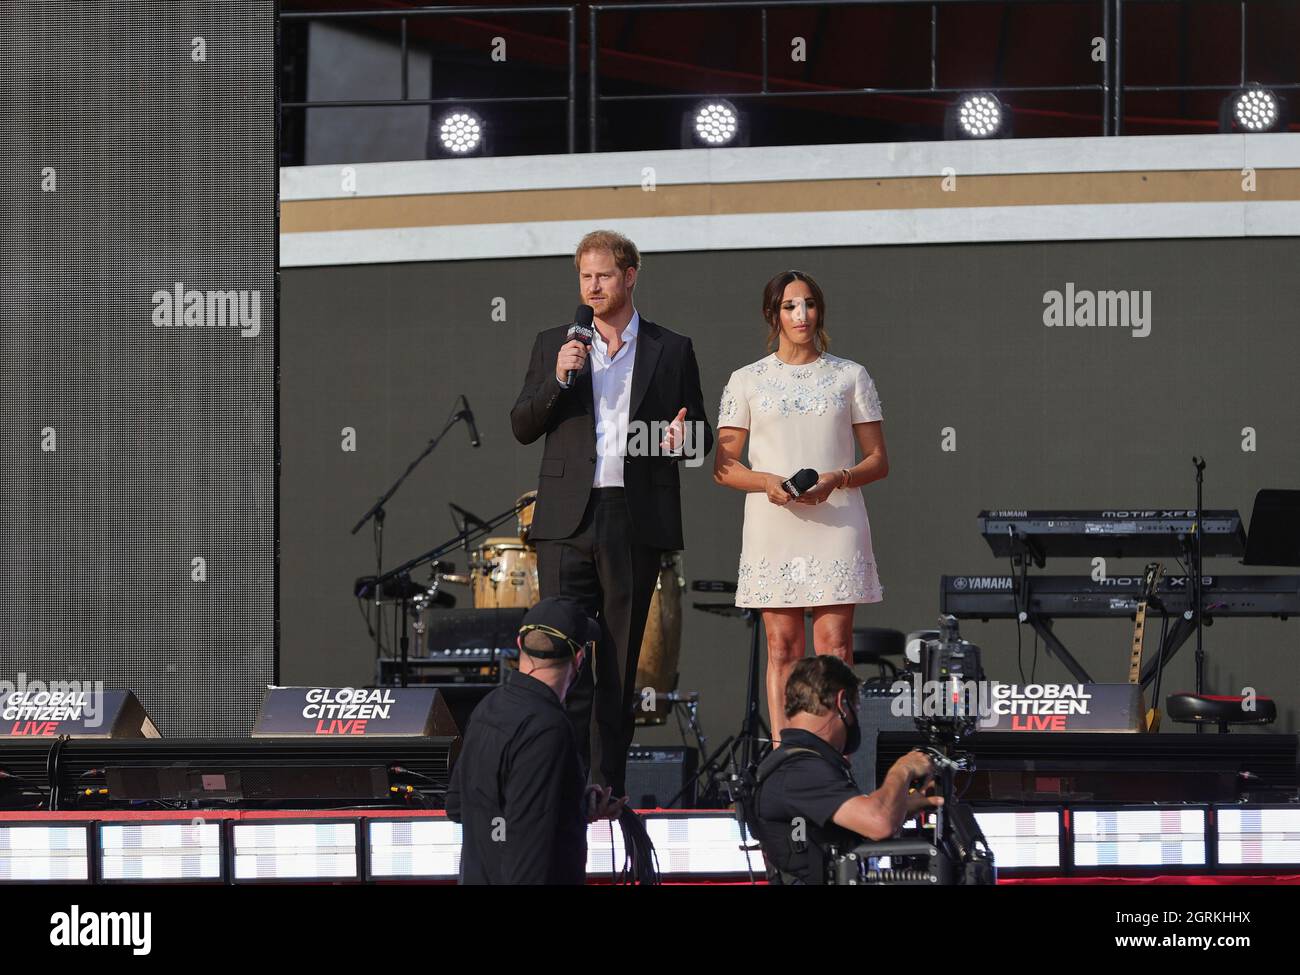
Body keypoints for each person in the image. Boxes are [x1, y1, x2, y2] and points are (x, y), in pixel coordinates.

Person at [511, 230, 713, 794]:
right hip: (564, 521)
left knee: (619, 667)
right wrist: (558, 377)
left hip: (632, 517)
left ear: (629, 276)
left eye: (602, 275)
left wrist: (681, 438)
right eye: (584, 277)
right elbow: (523, 425)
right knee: (556, 651)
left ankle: (606, 788)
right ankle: (559, 781)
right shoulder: (556, 342)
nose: (592, 286)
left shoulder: (671, 348)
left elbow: (699, 439)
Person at [713, 269, 889, 743]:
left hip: (837, 521)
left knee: (834, 647)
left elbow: (878, 460)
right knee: (782, 647)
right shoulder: (747, 380)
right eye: (790, 306)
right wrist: (768, 483)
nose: (801, 314)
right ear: (773, 314)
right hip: (773, 524)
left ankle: (836, 753)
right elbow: (725, 466)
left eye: (808, 304)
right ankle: (783, 754)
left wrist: (839, 478)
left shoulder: (850, 375)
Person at [446, 598, 625, 885]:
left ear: (520, 643)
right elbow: (529, 853)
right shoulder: (548, 729)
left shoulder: (488, 707)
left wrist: (571, 804)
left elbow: (458, 806)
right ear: (579, 658)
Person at [749, 655, 940, 885]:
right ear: (842, 703)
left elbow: (857, 826)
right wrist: (902, 769)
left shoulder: (801, 766)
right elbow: (878, 822)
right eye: (856, 709)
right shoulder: (801, 771)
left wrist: (909, 805)